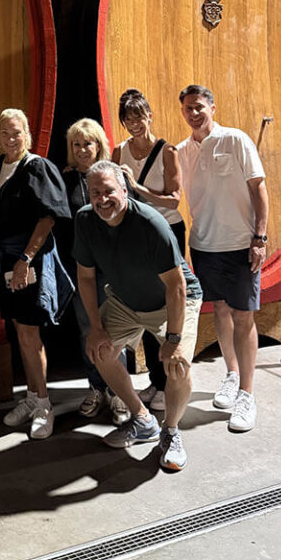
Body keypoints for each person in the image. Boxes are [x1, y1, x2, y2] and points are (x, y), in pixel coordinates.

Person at [74, 161, 202, 471]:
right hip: (125, 301)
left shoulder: (149, 223)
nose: (102, 200)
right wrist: (95, 327)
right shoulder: (85, 220)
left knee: (177, 364)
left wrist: (172, 340)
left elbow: (177, 286)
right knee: (100, 351)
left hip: (171, 300)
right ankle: (143, 420)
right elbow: (86, 277)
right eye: (95, 193)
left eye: (109, 192)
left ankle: (170, 432)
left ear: (124, 189)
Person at [176, 85, 269, 433]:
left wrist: (259, 237)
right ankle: (231, 374)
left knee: (244, 316)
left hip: (241, 244)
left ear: (213, 107)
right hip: (203, 245)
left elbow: (259, 187)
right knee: (218, 309)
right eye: (187, 108)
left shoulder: (236, 140)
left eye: (199, 107)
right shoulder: (183, 151)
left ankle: (247, 393)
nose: (193, 113)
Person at [0, 109, 73, 440]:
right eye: (5, 132)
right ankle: (32, 397)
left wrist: (25, 259)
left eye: (16, 132)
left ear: (27, 134)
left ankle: (44, 405)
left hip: (28, 260)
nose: (10, 138)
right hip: (5, 262)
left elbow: (48, 218)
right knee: (19, 330)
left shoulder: (36, 166)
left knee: (31, 333)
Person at [112, 89, 184, 416]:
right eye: (128, 119)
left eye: (139, 116)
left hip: (167, 230)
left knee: (167, 304)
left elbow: (174, 200)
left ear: (149, 115)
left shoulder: (167, 151)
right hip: (136, 233)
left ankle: (169, 382)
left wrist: (138, 189)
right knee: (145, 304)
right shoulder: (118, 152)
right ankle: (156, 379)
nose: (134, 124)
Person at [60, 118, 129, 425]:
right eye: (77, 144)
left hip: (112, 269)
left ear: (99, 145)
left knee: (116, 333)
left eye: (88, 143)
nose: (82, 149)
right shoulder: (66, 180)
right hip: (81, 268)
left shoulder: (113, 176)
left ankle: (120, 393)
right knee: (88, 330)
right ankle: (96, 388)